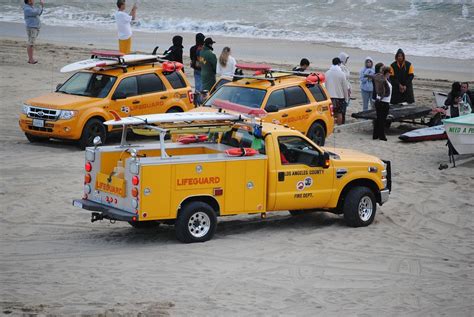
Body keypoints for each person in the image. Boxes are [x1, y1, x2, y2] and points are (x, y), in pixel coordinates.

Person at [325, 57, 349, 125]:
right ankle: (339, 126)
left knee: (330, 113)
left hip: (329, 96)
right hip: (339, 96)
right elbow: (345, 87)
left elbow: (325, 85)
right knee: (339, 113)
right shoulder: (341, 74)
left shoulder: (327, 73)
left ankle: (331, 126)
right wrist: (346, 98)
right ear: (339, 63)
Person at [373, 66, 392, 141]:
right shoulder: (383, 80)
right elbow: (383, 92)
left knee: (379, 119)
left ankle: (376, 135)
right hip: (383, 102)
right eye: (389, 73)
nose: (390, 74)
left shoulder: (382, 79)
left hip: (381, 101)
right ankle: (381, 135)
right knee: (381, 120)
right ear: (387, 73)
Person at [23, 0, 44, 64]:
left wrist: (41, 7)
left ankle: (31, 59)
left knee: (31, 43)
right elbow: (37, 12)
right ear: (29, 1)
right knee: (31, 44)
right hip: (32, 28)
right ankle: (31, 59)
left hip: (35, 27)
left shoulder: (31, 7)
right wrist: (41, 5)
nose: (34, 1)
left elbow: (39, 13)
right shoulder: (27, 9)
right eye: (32, 0)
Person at [338, 52, 351, 123]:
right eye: (346, 59)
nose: (347, 60)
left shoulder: (343, 67)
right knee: (343, 106)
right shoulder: (341, 67)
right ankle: (342, 121)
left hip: (346, 87)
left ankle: (342, 120)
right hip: (343, 89)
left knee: (344, 105)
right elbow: (344, 79)